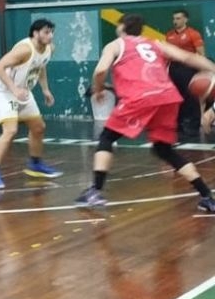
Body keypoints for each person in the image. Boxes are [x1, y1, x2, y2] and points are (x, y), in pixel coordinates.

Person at [76, 14, 215, 212]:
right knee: (164, 150)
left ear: (121, 27)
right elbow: (188, 57)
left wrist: (98, 90)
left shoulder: (116, 45)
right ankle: (207, 196)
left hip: (139, 97)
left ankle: (95, 191)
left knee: (106, 138)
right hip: (167, 98)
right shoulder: (155, 43)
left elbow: (100, 71)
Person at [0, 18, 61, 190]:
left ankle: (35, 164)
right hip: (5, 91)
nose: (50, 36)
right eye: (46, 32)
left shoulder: (49, 48)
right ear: (36, 33)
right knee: (11, 131)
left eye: (51, 32)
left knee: (38, 127)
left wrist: (45, 89)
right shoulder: (24, 49)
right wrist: (14, 89)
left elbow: (41, 66)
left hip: (23, 91)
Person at [166, 9, 206, 138]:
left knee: (191, 97)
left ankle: (194, 126)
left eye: (178, 18)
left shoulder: (193, 34)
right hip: (174, 68)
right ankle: (179, 124)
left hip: (188, 67)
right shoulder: (169, 35)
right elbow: (167, 54)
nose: (175, 21)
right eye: (174, 18)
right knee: (175, 96)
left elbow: (201, 54)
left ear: (185, 19)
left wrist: (201, 70)